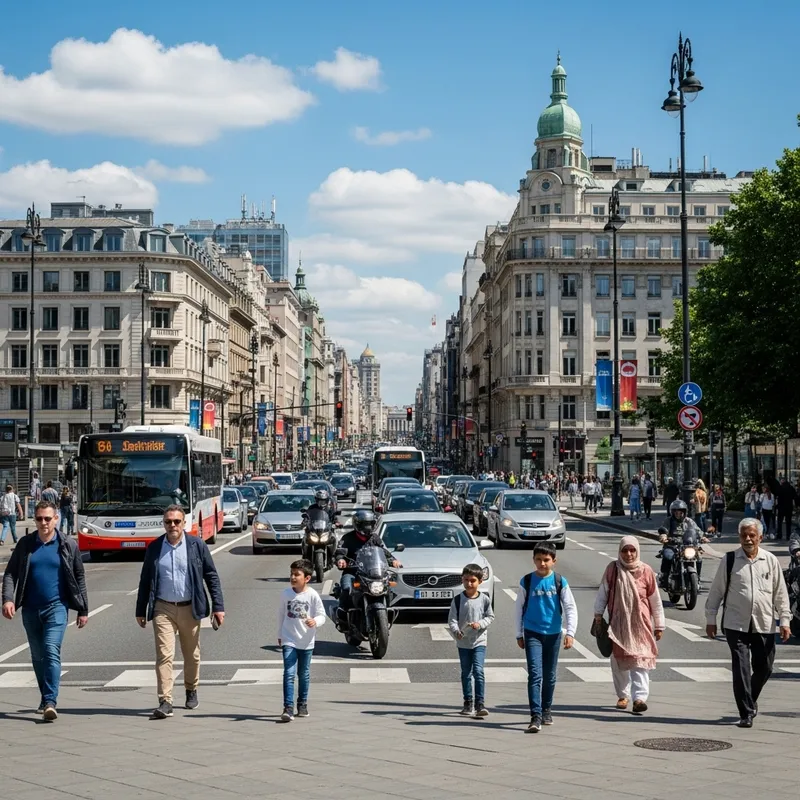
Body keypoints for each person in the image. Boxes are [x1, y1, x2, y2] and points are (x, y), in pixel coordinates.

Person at [135, 505, 225, 720]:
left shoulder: (196, 545)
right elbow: (146, 579)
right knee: (164, 655)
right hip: (163, 607)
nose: (172, 525)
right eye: (168, 522)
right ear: (163, 524)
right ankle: (165, 700)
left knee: (192, 655)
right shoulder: (155, 547)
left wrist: (218, 607)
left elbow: (211, 576)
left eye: (176, 522)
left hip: (190, 607)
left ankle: (191, 688)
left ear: (184, 523)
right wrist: (141, 609)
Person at [1, 499, 88, 720]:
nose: (43, 523)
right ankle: (44, 696)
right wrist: (8, 599)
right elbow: (11, 573)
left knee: (50, 650)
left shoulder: (67, 544)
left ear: (56, 519)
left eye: (47, 518)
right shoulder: (26, 544)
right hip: (30, 609)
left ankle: (50, 700)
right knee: (38, 656)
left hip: (57, 607)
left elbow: (79, 576)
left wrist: (83, 609)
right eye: (39, 518)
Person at [705, 518, 791, 728]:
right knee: (741, 667)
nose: (748, 539)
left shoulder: (770, 560)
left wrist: (785, 620)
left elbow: (780, 593)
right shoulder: (731, 560)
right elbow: (716, 591)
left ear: (760, 537)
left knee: (765, 667)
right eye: (744, 535)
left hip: (764, 621)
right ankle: (746, 712)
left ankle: (749, 700)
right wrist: (711, 619)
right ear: (739, 536)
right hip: (736, 623)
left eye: (752, 535)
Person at [594, 536, 665, 714]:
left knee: (640, 659)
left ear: (637, 551)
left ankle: (639, 698)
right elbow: (603, 592)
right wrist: (598, 614)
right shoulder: (613, 569)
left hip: (641, 624)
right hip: (618, 624)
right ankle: (623, 695)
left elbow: (655, 600)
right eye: (625, 550)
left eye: (632, 550)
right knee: (619, 661)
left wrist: (659, 625)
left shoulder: (646, 571)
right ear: (620, 551)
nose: (629, 554)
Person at [514, 543, 577, 733]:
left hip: (554, 634)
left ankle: (546, 708)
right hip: (532, 632)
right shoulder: (526, 581)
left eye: (546, 560)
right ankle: (535, 715)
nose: (542, 563)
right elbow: (518, 609)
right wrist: (519, 633)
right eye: (539, 560)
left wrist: (570, 633)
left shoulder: (560, 581)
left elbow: (570, 608)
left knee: (549, 676)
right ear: (533, 560)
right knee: (535, 674)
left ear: (554, 561)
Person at [277, 559, 326, 722]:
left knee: (303, 674)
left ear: (307, 578)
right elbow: (281, 616)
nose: (293, 577)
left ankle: (302, 704)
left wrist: (315, 621)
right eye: (291, 574)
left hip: (306, 640)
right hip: (288, 639)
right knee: (289, 673)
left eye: (297, 574)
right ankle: (288, 708)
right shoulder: (286, 594)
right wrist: (280, 635)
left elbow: (322, 615)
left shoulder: (312, 595)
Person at [334, 509, 400, 625]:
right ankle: (342, 612)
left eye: (370, 524)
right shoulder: (348, 538)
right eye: (365, 524)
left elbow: (384, 551)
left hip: (372, 573)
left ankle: (387, 609)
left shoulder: (375, 538)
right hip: (353, 572)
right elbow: (340, 551)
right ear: (358, 525)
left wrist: (393, 560)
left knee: (390, 586)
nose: (368, 527)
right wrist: (341, 560)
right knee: (346, 588)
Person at [448, 563, 495, 718]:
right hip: (463, 642)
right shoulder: (457, 600)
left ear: (480, 581)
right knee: (466, 673)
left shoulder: (485, 599)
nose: (469, 583)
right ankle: (468, 702)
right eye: (466, 580)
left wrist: (479, 624)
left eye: (473, 580)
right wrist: (456, 631)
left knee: (479, 671)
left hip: (479, 641)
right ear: (462, 580)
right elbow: (452, 619)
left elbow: (490, 617)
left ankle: (480, 703)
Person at [658, 500, 707, 588]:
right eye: (675, 511)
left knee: (699, 557)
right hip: (672, 545)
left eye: (680, 511)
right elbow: (664, 530)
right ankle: (664, 576)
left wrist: (702, 537)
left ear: (684, 512)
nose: (678, 513)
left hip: (686, 546)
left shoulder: (689, 521)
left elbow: (697, 530)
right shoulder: (668, 521)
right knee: (668, 556)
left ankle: (697, 579)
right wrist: (664, 536)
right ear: (672, 512)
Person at [775, 477, 797, 541]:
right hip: (789, 507)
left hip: (781, 507)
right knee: (788, 522)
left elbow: (777, 495)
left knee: (779, 522)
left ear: (782, 481)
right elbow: (794, 496)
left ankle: (779, 535)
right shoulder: (791, 488)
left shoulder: (780, 488)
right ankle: (788, 536)